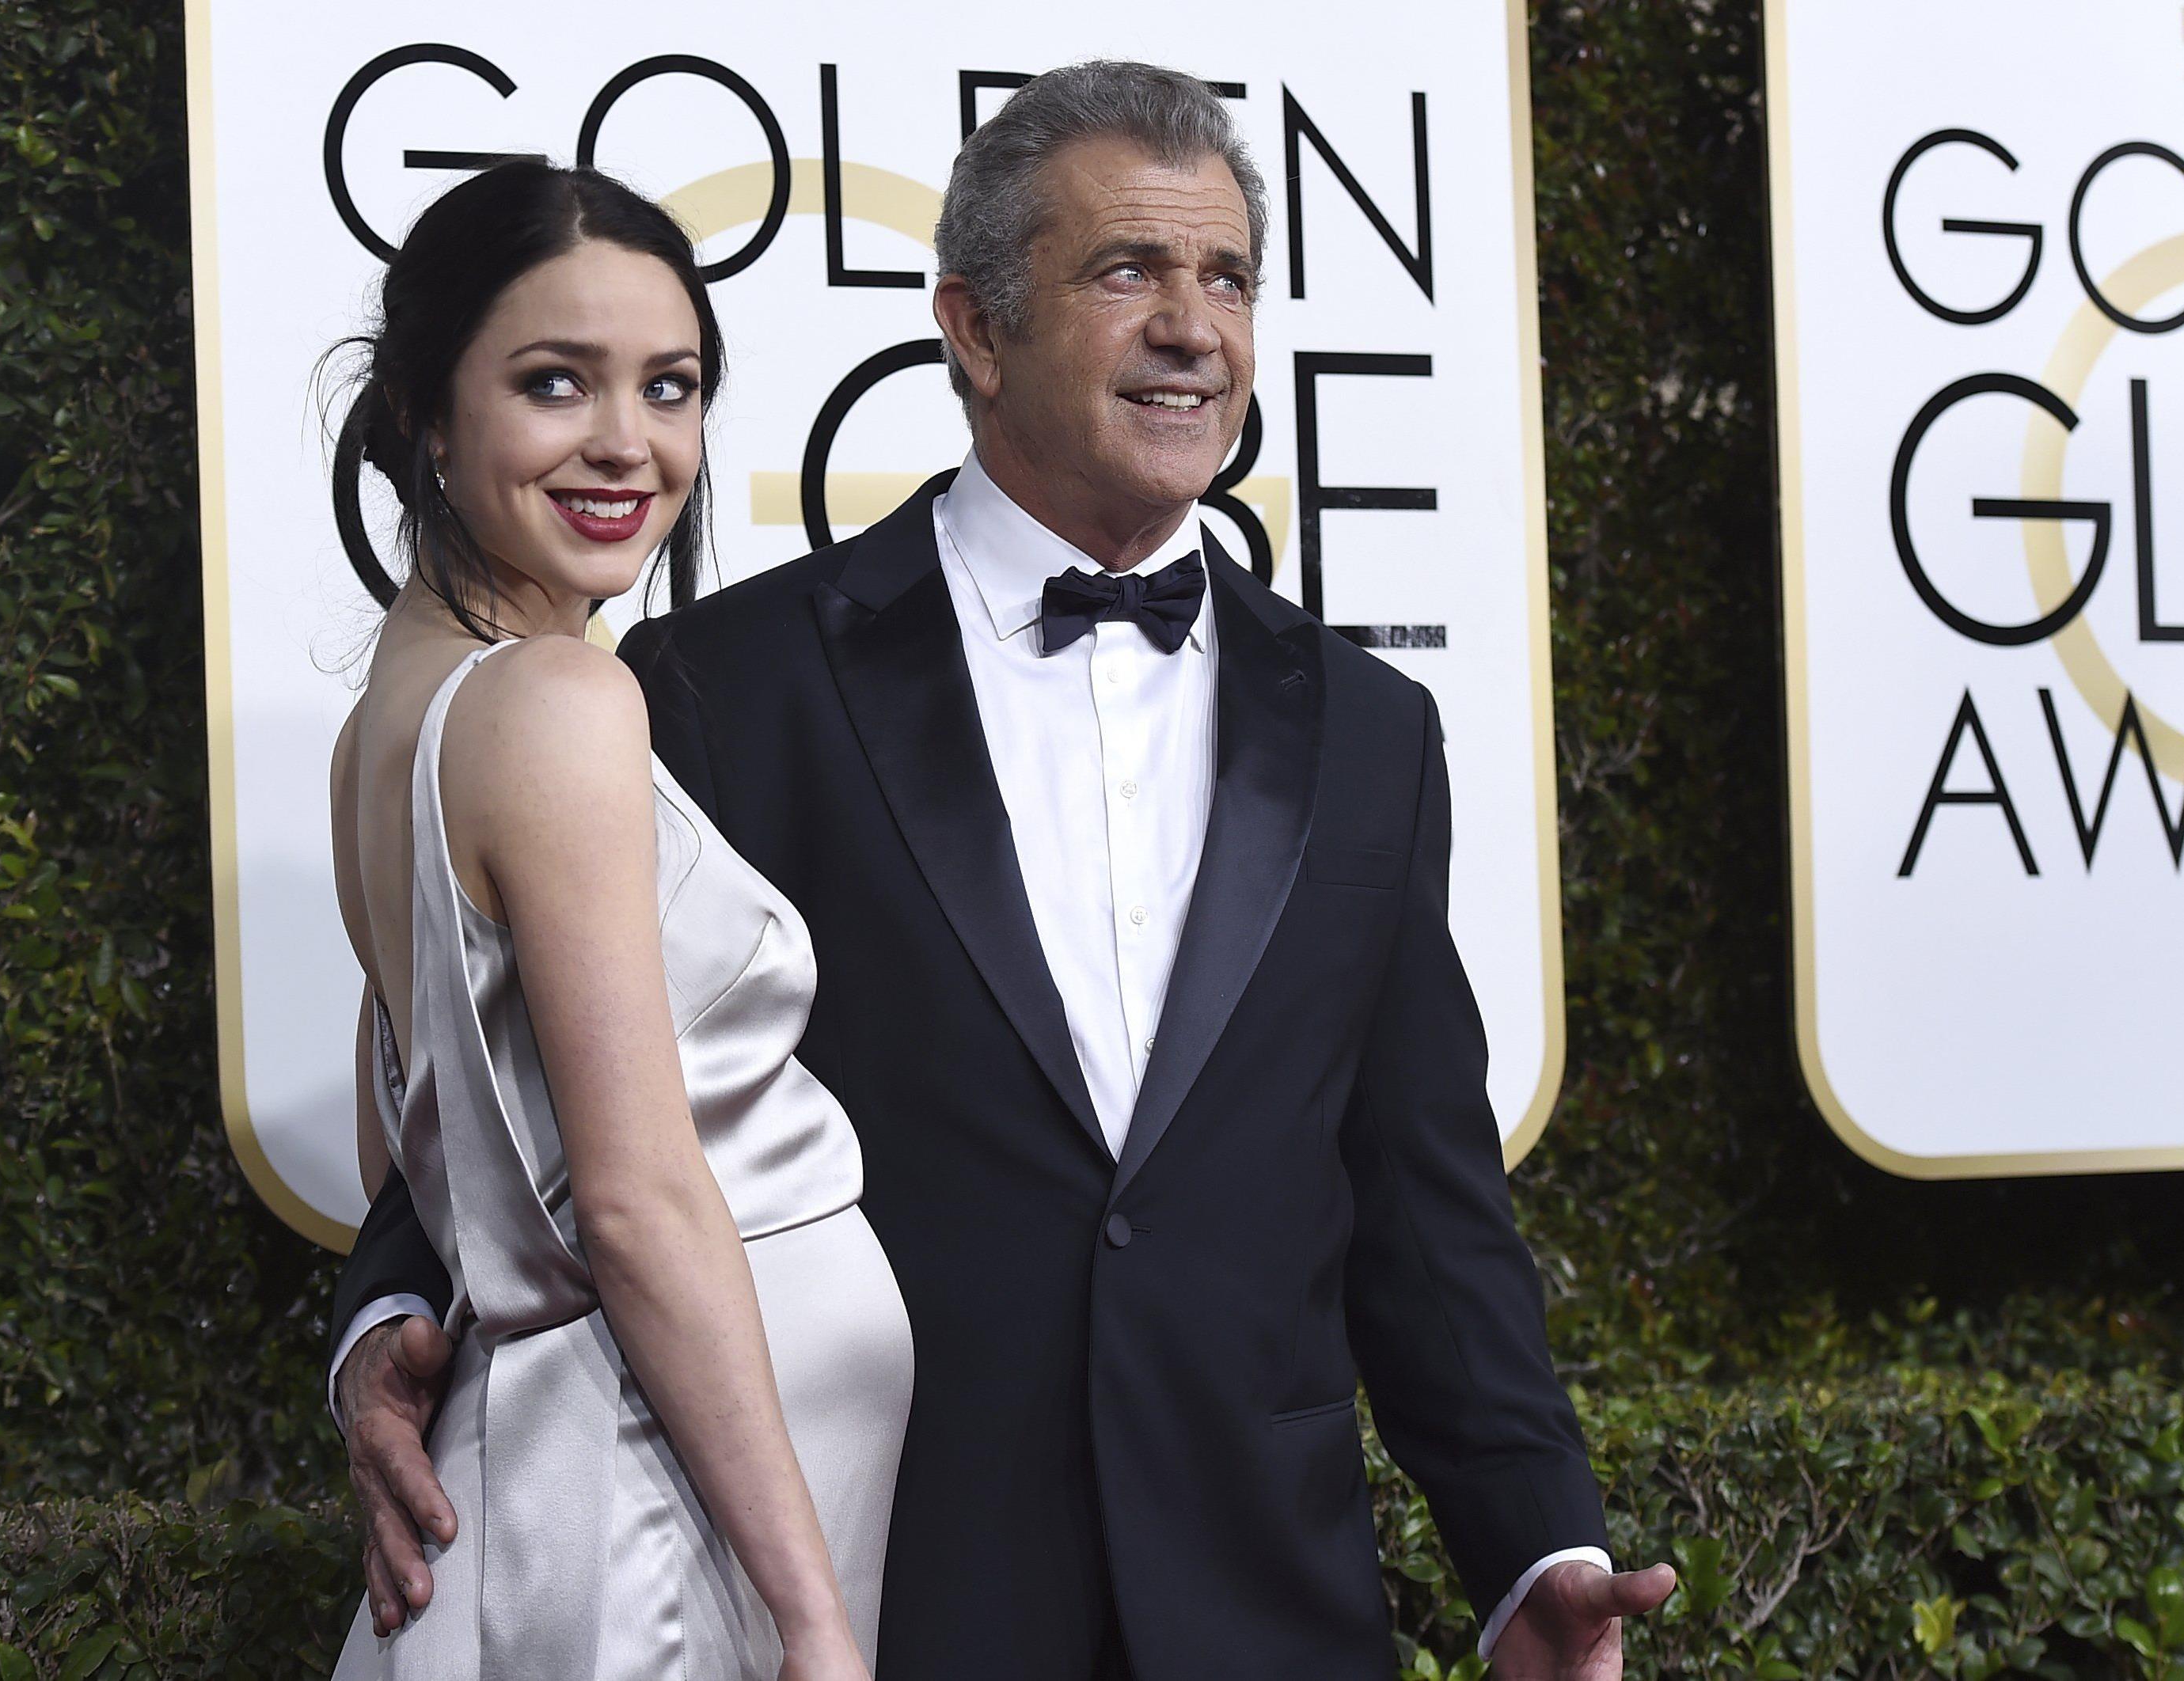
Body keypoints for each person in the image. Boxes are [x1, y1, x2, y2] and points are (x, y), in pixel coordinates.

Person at [331, 63, 1673, 1679]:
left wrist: (1536, 1546)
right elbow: (522, 1065)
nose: (1197, 328)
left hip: (1263, 1612)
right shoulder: (721, 683)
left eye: (1230, 278)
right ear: (971, 327)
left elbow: (1426, 1197)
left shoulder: (1372, 734)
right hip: (893, 1582)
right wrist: (384, 1326)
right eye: (1130, 273)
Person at [320, 161, 910, 1679]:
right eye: (553, 382)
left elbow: (417, 1133)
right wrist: (814, 1623)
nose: (628, 445)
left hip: (598, 1465)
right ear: (422, 414)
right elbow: (638, 1203)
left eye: (671, 386)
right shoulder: (561, 700)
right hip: (666, 1503)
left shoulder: (386, 729)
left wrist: (375, 1338)